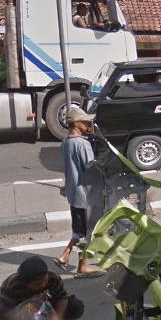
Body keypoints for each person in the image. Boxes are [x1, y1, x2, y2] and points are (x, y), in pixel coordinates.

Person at [57, 105, 103, 278]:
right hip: (84, 194)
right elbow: (91, 169)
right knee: (85, 232)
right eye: (84, 122)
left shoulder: (66, 142)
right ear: (76, 123)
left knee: (78, 230)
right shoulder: (82, 144)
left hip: (72, 192)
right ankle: (82, 267)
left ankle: (64, 256)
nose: (87, 124)